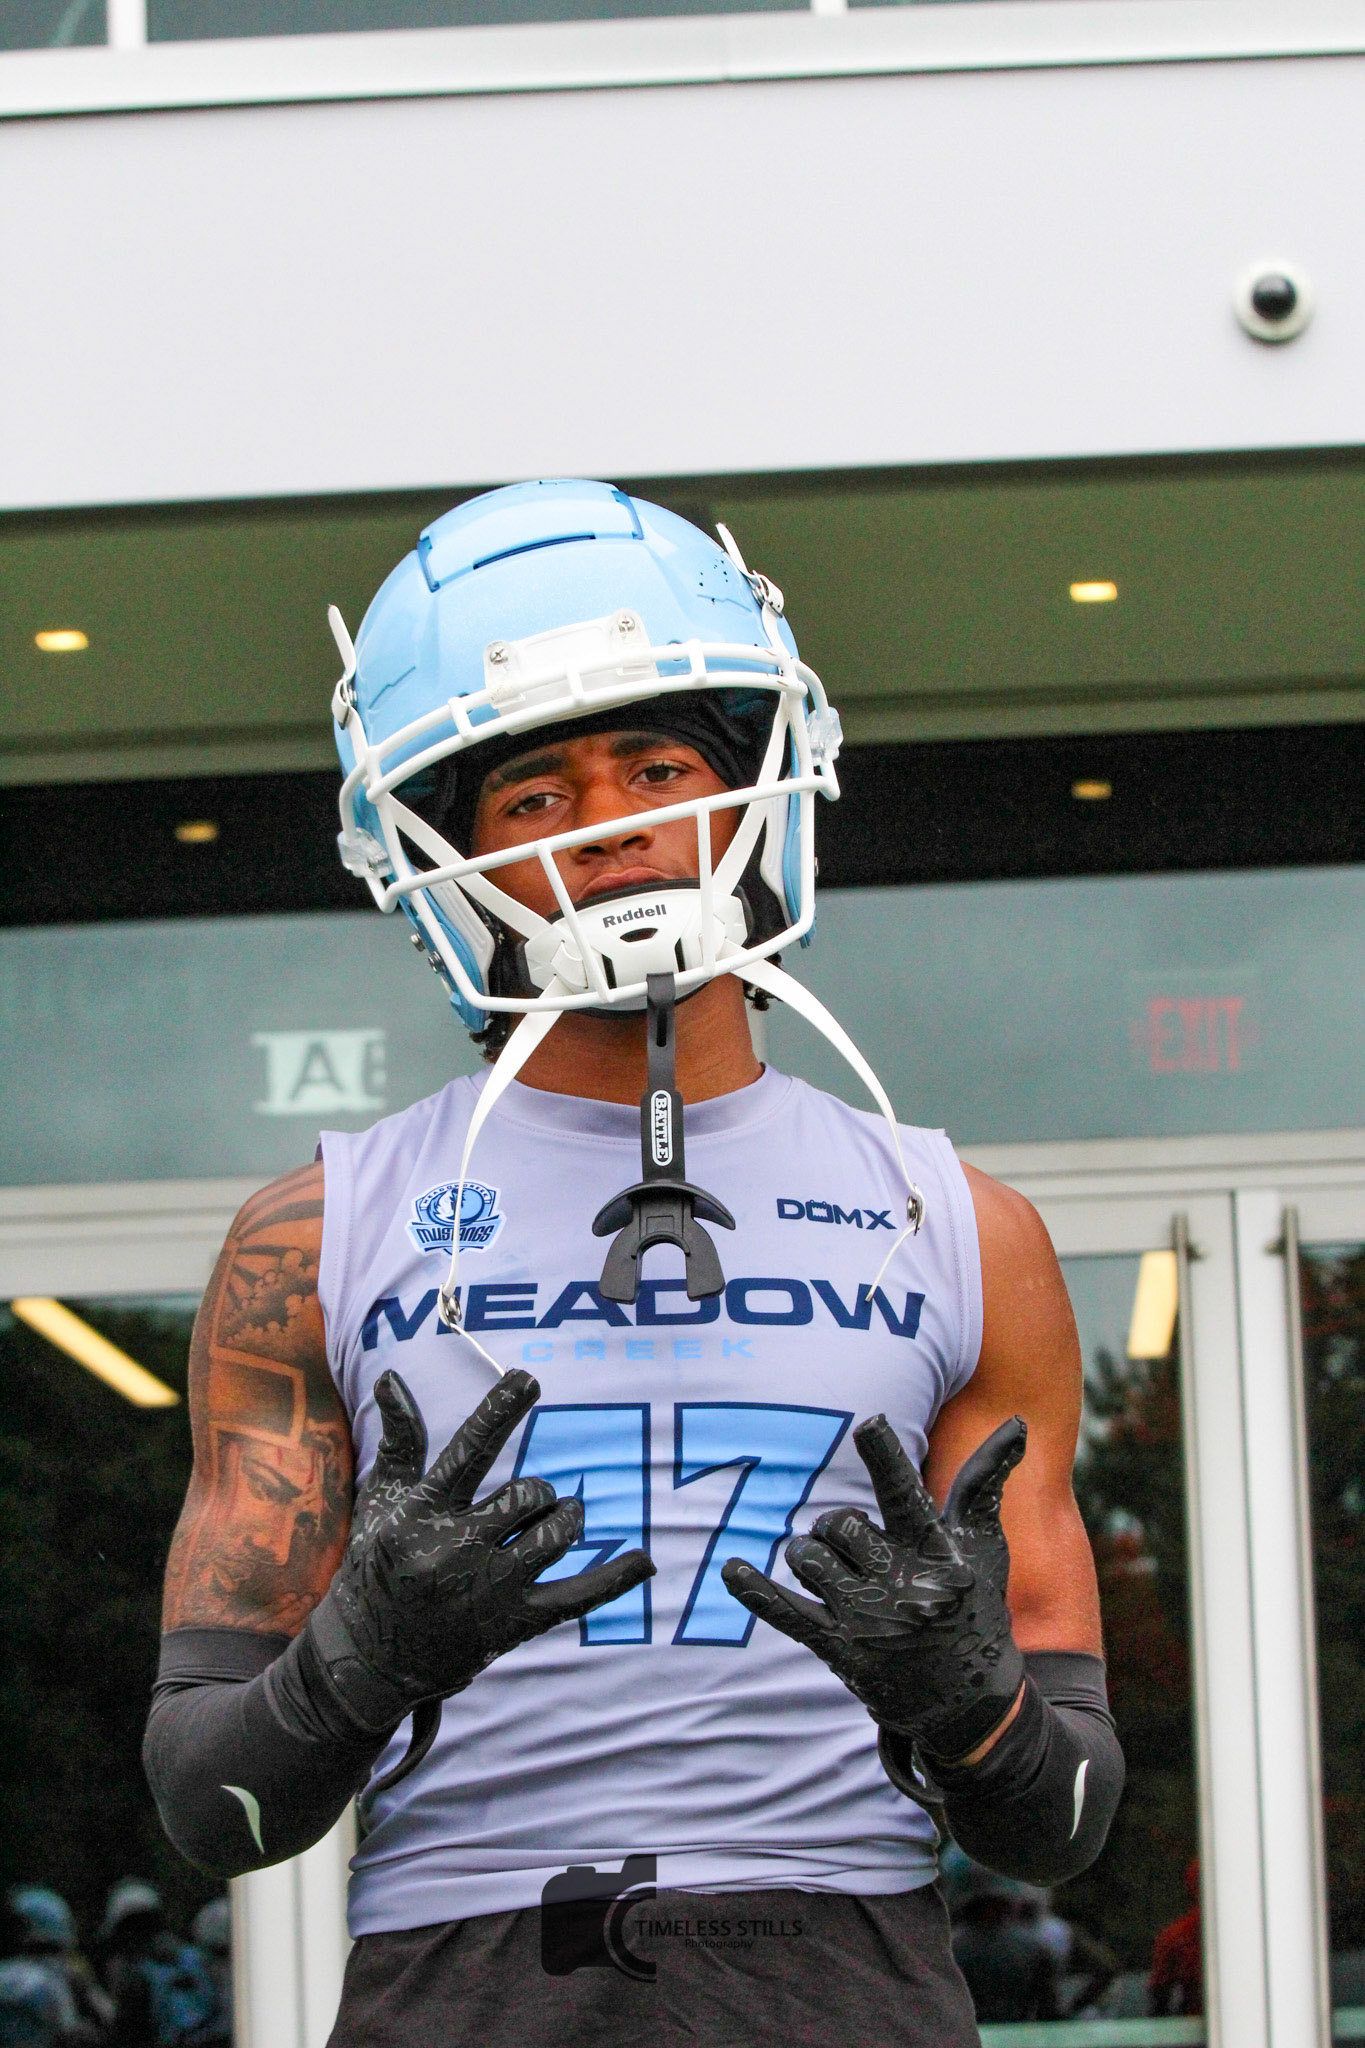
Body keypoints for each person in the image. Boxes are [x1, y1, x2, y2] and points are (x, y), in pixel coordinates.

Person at [144, 481, 1124, 2048]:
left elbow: (1060, 1825)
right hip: (467, 1979)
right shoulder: (315, 1229)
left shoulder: (962, 1224)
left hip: (839, 1975)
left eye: (658, 767)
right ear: (441, 854)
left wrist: (963, 1701)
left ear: (752, 794)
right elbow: (214, 1807)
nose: (611, 824)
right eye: (535, 793)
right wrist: (359, 1660)